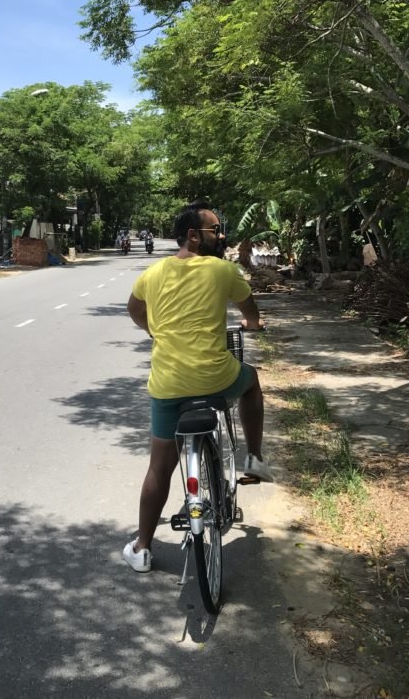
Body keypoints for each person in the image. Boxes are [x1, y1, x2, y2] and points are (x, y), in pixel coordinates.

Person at [123, 200, 274, 573]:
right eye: (215, 230)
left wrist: (154, 331)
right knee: (251, 381)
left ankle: (142, 546)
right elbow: (249, 309)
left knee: (160, 467)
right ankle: (253, 458)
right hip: (217, 378)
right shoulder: (224, 270)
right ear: (193, 236)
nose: (222, 235)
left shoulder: (152, 274)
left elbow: (134, 309)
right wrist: (253, 325)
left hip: (167, 385)